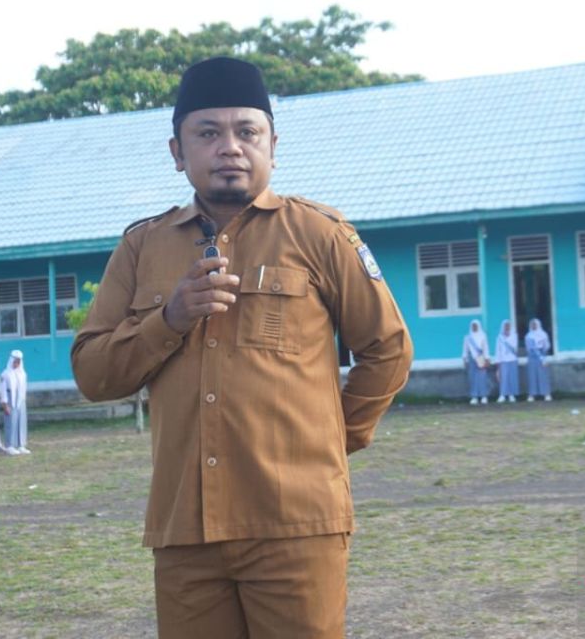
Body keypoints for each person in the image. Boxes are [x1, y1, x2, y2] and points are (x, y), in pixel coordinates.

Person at [72, 56, 413, 638]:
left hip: (295, 525)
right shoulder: (141, 248)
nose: (229, 147)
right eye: (207, 133)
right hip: (186, 532)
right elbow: (93, 373)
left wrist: (332, 440)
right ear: (177, 152)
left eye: (246, 132)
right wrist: (170, 318)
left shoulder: (320, 234)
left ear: (272, 147)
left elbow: (387, 349)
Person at [0, 350, 29, 455]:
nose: (16, 364)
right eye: (15, 361)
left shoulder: (22, 374)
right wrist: (5, 404)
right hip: (10, 399)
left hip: (20, 400)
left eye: (18, 361)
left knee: (21, 422)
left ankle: (21, 444)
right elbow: (2, 390)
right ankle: (10, 445)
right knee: (10, 422)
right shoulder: (5, 374)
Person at [462, 320, 490, 405]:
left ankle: (484, 396)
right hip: (471, 359)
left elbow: (485, 348)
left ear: (479, 326)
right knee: (472, 378)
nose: (474, 327)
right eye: (473, 326)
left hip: (481, 357)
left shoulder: (483, 336)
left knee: (482, 377)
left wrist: (487, 359)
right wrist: (465, 359)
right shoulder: (467, 337)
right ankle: (474, 397)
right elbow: (465, 350)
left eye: (476, 325)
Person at [524, 318, 552, 402]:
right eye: (532, 324)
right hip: (532, 357)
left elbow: (547, 345)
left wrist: (542, 353)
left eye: (535, 324)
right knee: (532, 375)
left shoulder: (543, 334)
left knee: (543, 375)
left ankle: (546, 394)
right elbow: (529, 348)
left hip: (542, 356)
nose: (533, 326)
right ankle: (532, 395)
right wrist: (535, 352)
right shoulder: (528, 336)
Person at [494, 319, 519, 403]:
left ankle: (511, 395)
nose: (507, 327)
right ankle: (502, 395)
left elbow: (514, 347)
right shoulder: (499, 337)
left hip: (512, 359)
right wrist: (498, 361)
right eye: (505, 326)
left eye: (508, 325)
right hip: (503, 360)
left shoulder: (514, 335)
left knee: (511, 377)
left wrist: (508, 337)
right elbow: (498, 350)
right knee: (503, 378)